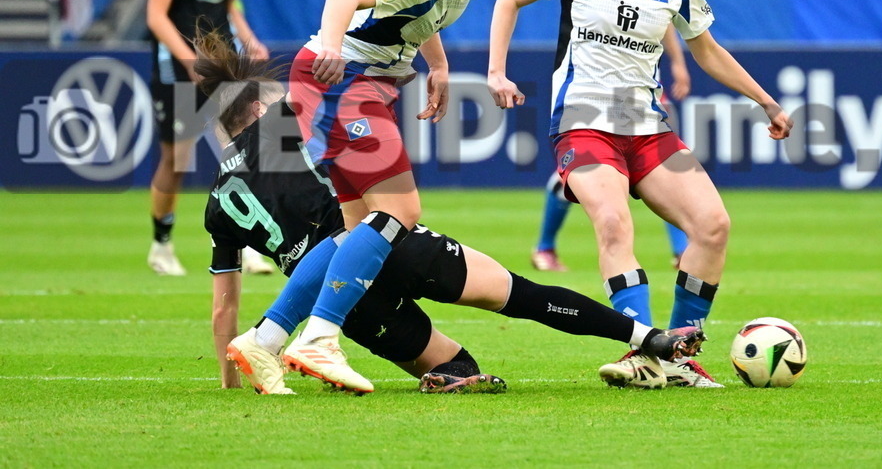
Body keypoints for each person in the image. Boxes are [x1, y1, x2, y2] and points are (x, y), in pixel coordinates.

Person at [191, 32, 709, 394]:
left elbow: (222, 311)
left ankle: (273, 344)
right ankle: (648, 339)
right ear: (257, 109)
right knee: (521, 297)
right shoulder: (277, 127)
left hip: (350, 305)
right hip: (378, 244)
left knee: (461, 368)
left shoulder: (217, 205)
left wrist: (230, 381)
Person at [487, 0, 792, 388]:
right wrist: (496, 72)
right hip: (583, 123)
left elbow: (707, 49)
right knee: (612, 221)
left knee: (713, 226)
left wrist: (764, 100)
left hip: (646, 128)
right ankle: (641, 349)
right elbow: (507, 0)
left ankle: (677, 357)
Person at [278, 0, 541, 390]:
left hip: (360, 80)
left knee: (357, 230)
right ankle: (319, 339)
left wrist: (437, 66)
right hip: (339, 77)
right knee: (400, 211)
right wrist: (332, 47)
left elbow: (422, 18)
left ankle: (265, 340)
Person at [146, 0, 270, 277]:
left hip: (223, 65)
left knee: (246, 152)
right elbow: (156, 16)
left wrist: (250, 39)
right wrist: (188, 60)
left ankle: (250, 244)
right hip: (178, 69)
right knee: (177, 160)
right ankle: (161, 244)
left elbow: (230, 5)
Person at [532, 26, 691, 272]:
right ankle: (545, 247)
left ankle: (682, 252)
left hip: (644, 89)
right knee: (576, 175)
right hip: (598, 90)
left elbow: (665, 16)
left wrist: (678, 62)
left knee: (668, 165)